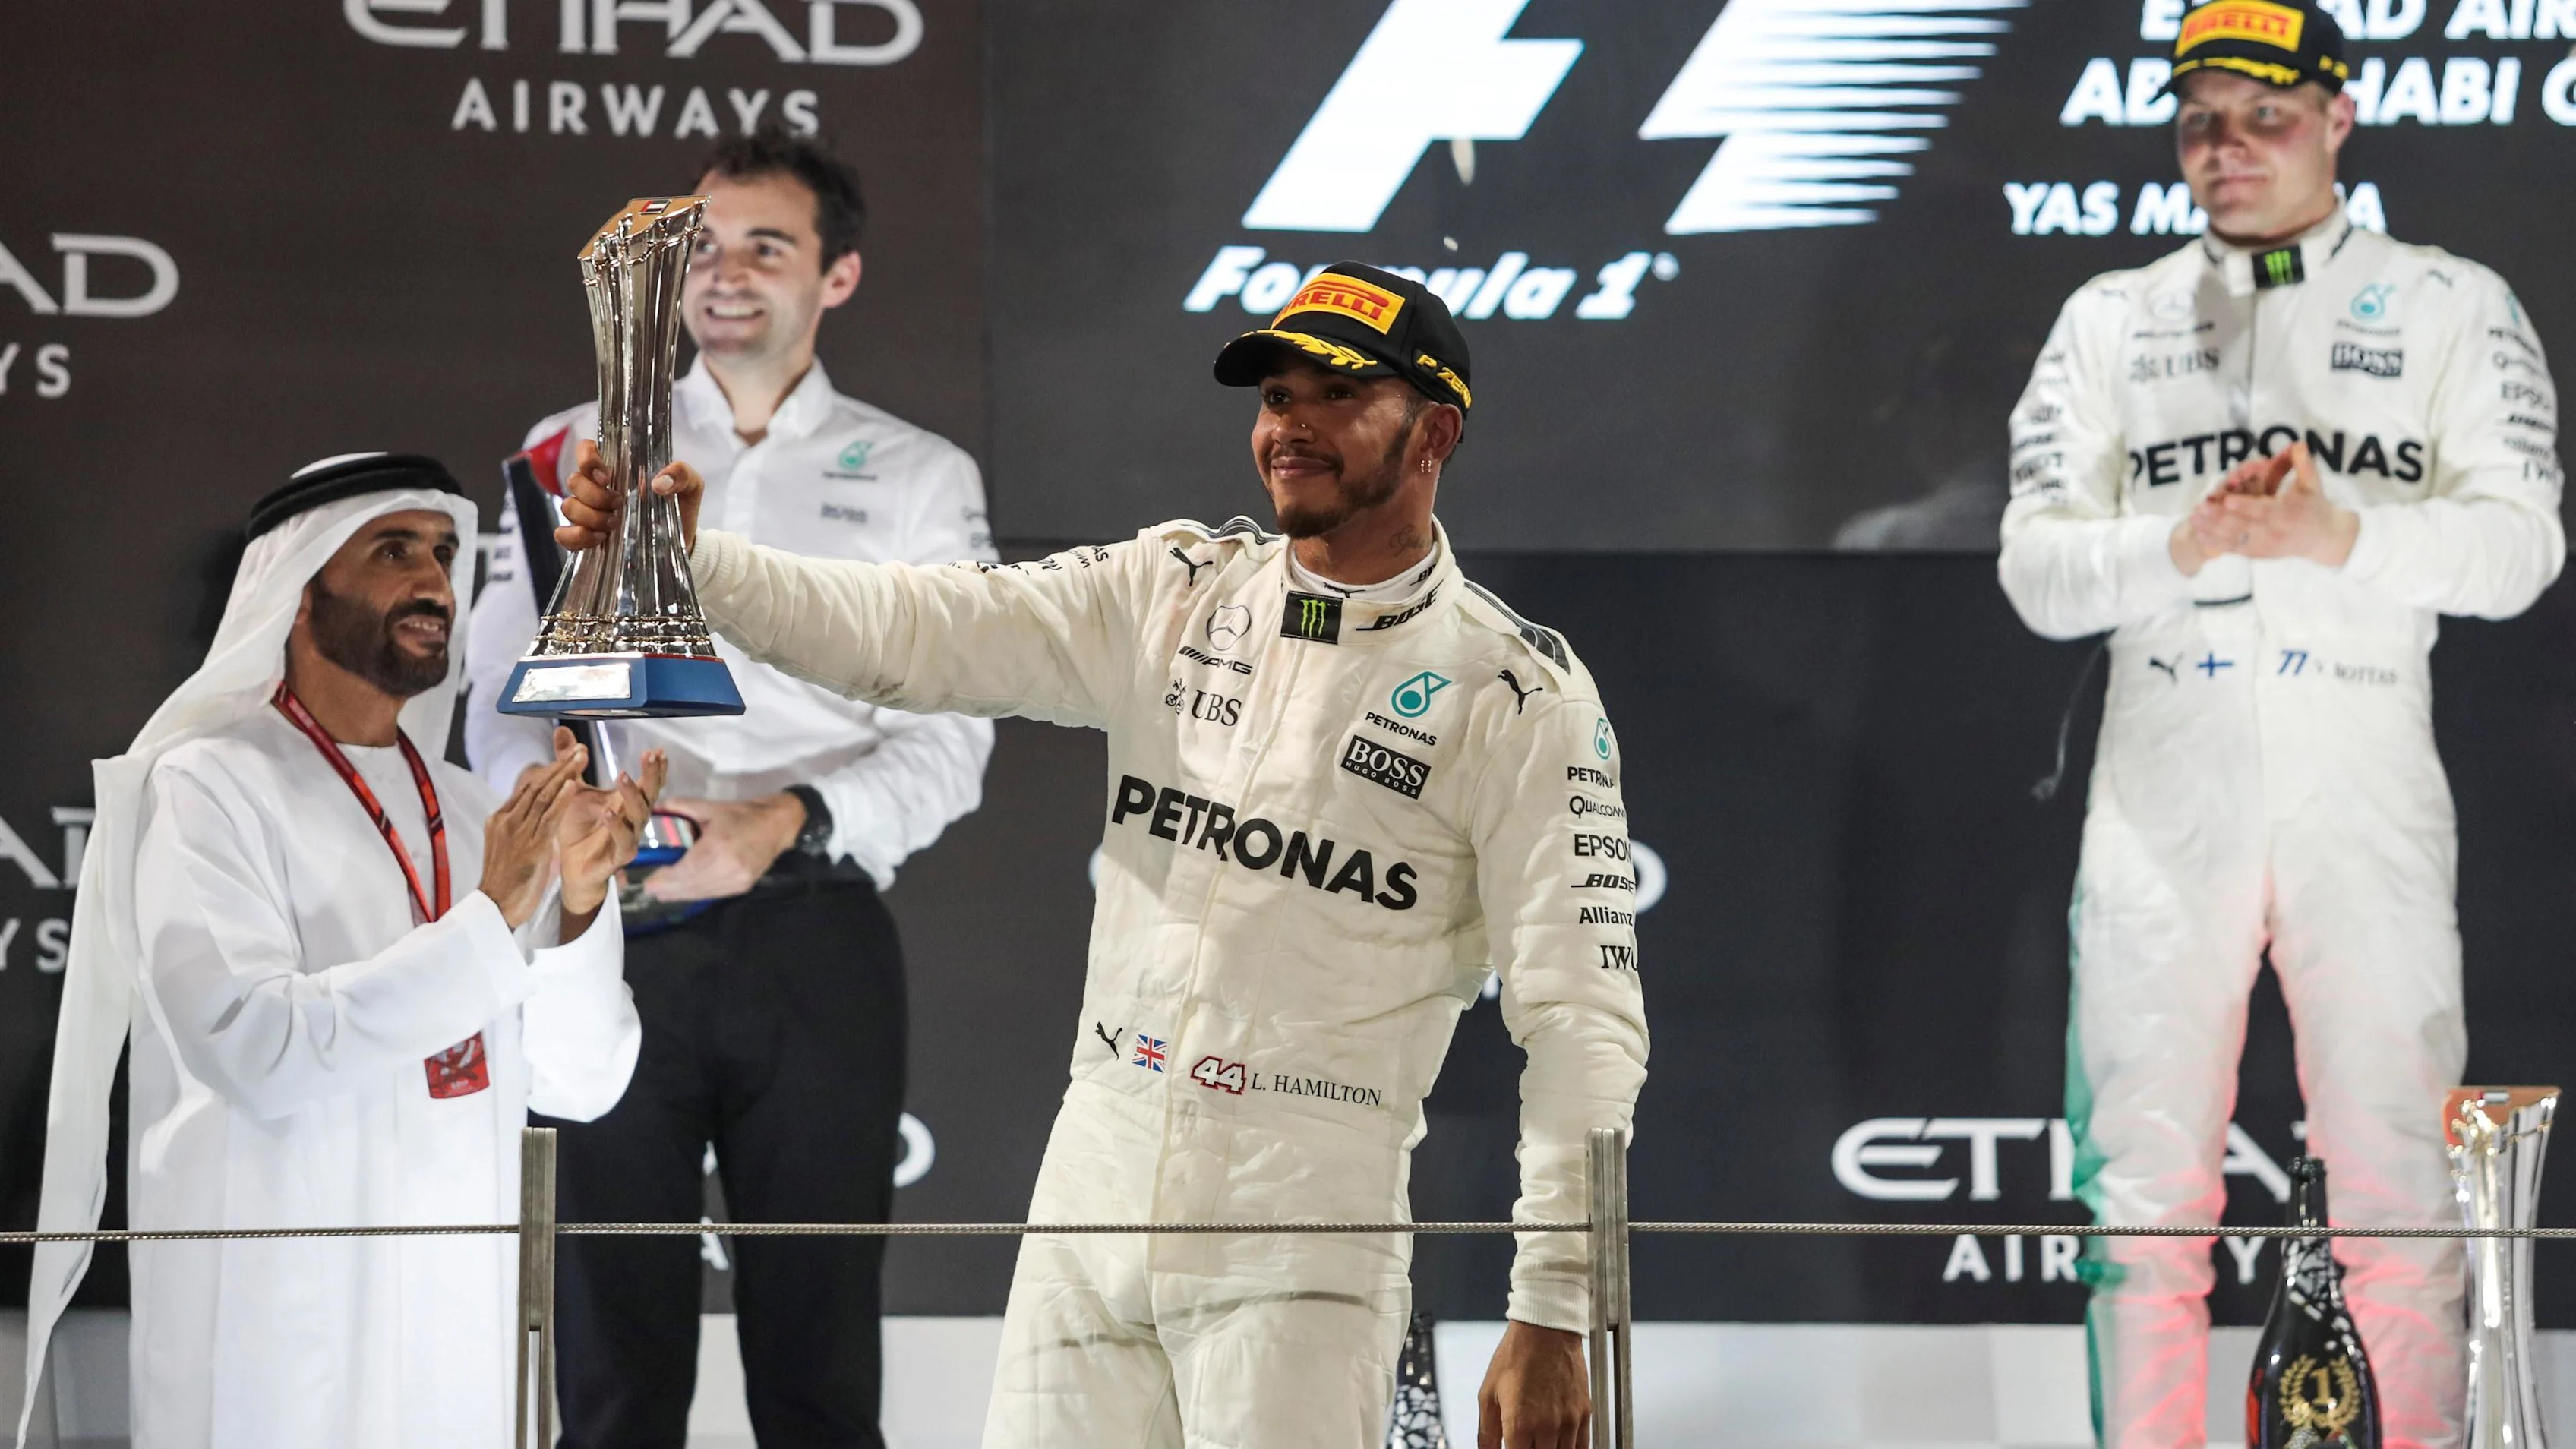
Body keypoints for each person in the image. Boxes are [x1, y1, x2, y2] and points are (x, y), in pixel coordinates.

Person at [552, 262, 1650, 1449]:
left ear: (1435, 432)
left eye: (1337, 396)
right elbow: (915, 629)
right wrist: (699, 564)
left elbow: (1582, 1020)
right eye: (1276, 398)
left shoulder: (1518, 696)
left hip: (1308, 1215)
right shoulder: (1173, 591)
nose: (1289, 427)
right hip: (1095, 1178)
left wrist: (1554, 1305)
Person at [1997, 1, 2564, 1443]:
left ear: (2338, 118)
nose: (2228, 146)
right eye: (2201, 121)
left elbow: (2522, 549)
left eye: (2266, 115)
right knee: (2140, 1201)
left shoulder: (2451, 303)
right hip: (2162, 778)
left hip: (2360, 770)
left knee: (2397, 1188)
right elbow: (2035, 573)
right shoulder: (2109, 318)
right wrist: (2176, 547)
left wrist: (2341, 534)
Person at [465, 127, 994, 1447]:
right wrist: (567, 816)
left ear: (838, 276)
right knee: (611, 1370)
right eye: (703, 245)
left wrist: (785, 824)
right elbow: (495, 698)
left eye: (770, 245)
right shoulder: (574, 448)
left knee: (820, 1367)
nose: (727, 272)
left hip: (814, 924)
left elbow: (956, 738)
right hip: (607, 925)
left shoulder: (920, 474)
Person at [17, 453, 659, 1448]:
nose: (434, 582)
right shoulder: (207, 788)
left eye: (443, 554)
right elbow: (255, 1049)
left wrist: (577, 906)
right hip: (282, 1336)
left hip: (459, 1340)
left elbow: (584, 1083)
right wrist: (491, 918)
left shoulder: (477, 810)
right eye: (393, 551)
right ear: (300, 587)